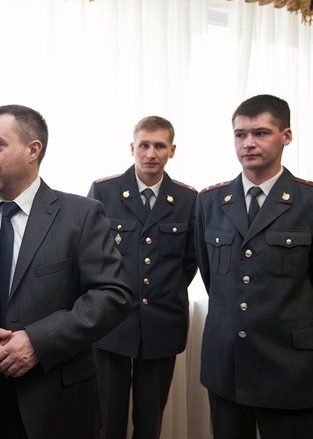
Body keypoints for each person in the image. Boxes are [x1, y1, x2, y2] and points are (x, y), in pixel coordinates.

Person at [0, 104, 133, 439]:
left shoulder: (81, 215)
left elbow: (113, 295)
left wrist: (38, 342)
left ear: (33, 150)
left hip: (58, 403)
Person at [195, 94, 313, 438]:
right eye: (240, 134)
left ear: (286, 136)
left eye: (261, 133)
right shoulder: (209, 202)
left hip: (289, 366)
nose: (248, 143)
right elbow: (212, 278)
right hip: (228, 364)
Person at [88, 115, 197, 438]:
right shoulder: (104, 191)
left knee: (150, 421)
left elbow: (190, 261)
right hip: (112, 323)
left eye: (159, 146)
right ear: (132, 147)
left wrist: (164, 291)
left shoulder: (189, 199)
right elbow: (90, 255)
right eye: (144, 145)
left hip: (162, 323)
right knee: (108, 420)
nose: (151, 153)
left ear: (172, 150)